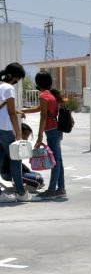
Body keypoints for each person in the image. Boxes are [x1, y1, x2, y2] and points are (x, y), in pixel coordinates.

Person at [21, 71, 67, 199]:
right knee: (58, 160)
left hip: (51, 131)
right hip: (57, 130)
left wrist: (40, 135)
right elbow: (40, 109)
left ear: (38, 82)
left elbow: (43, 116)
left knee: (55, 162)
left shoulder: (43, 95)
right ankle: (61, 188)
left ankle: (52, 190)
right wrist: (21, 110)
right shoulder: (52, 94)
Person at [0, 62, 31, 203]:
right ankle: (20, 192)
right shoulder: (8, 88)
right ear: (16, 77)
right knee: (16, 158)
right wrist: (18, 133)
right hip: (4, 129)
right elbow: (12, 113)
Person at [0, 122, 45, 192]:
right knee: (39, 179)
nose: (26, 137)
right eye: (25, 134)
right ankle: (21, 184)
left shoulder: (19, 143)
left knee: (38, 175)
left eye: (28, 135)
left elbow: (20, 163)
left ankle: (27, 183)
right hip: (8, 173)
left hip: (19, 171)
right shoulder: (12, 145)